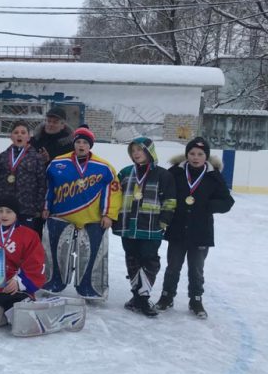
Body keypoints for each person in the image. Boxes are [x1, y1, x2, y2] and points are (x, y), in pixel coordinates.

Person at [154, 137, 234, 319]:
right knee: (173, 266)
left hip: (201, 231)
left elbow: (227, 202)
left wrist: (207, 205)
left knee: (196, 269)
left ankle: (196, 299)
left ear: (206, 156)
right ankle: (167, 296)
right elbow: (162, 192)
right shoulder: (175, 173)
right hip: (177, 229)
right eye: (192, 153)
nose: (195, 157)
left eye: (200, 154)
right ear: (186, 154)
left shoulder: (214, 176)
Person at [42, 126, 121, 300]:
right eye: (78, 142)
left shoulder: (104, 166)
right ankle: (54, 281)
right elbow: (49, 187)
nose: (81, 145)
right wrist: (46, 206)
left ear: (90, 145)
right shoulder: (57, 163)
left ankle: (89, 286)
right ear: (74, 143)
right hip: (60, 216)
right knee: (55, 251)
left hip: (92, 218)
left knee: (92, 254)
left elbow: (113, 191)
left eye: (85, 142)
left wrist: (108, 214)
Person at [111, 137, 176, 317]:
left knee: (149, 260)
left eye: (140, 150)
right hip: (127, 226)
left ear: (149, 151)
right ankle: (137, 296)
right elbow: (114, 197)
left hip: (151, 227)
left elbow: (170, 201)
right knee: (132, 260)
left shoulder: (163, 175)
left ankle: (143, 297)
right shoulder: (124, 173)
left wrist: (163, 222)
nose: (136, 153)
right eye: (133, 151)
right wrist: (115, 219)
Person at [0, 120, 47, 236]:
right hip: (5, 211)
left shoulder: (37, 158)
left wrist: (37, 208)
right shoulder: (3, 157)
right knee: (5, 243)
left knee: (26, 245)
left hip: (27, 210)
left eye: (23, 132)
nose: (19, 135)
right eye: (16, 132)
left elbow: (42, 184)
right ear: (11, 136)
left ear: (29, 136)